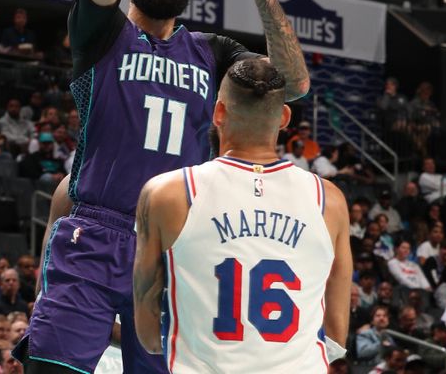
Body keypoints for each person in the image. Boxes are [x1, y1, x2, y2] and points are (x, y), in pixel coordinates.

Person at [19, 0, 309, 374]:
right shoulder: (100, 33)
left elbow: (295, 84)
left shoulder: (213, 53)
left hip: (176, 247)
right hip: (93, 236)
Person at [133, 59, 348, 371]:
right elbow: (336, 337)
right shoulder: (329, 201)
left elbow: (149, 336)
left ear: (218, 112)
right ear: (285, 117)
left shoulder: (167, 193)